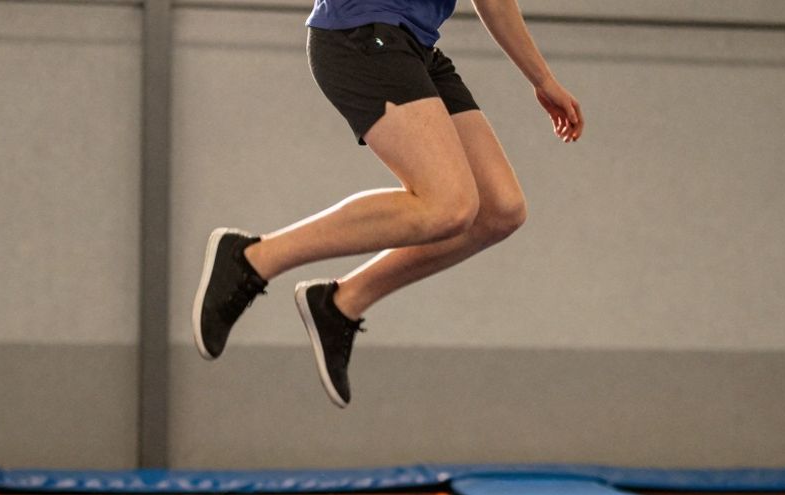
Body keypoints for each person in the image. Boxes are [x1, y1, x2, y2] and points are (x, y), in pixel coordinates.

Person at [192, 0, 583, 408]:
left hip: (416, 46)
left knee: (499, 209)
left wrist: (542, 79)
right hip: (361, 32)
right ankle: (252, 257)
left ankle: (341, 304)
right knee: (447, 204)